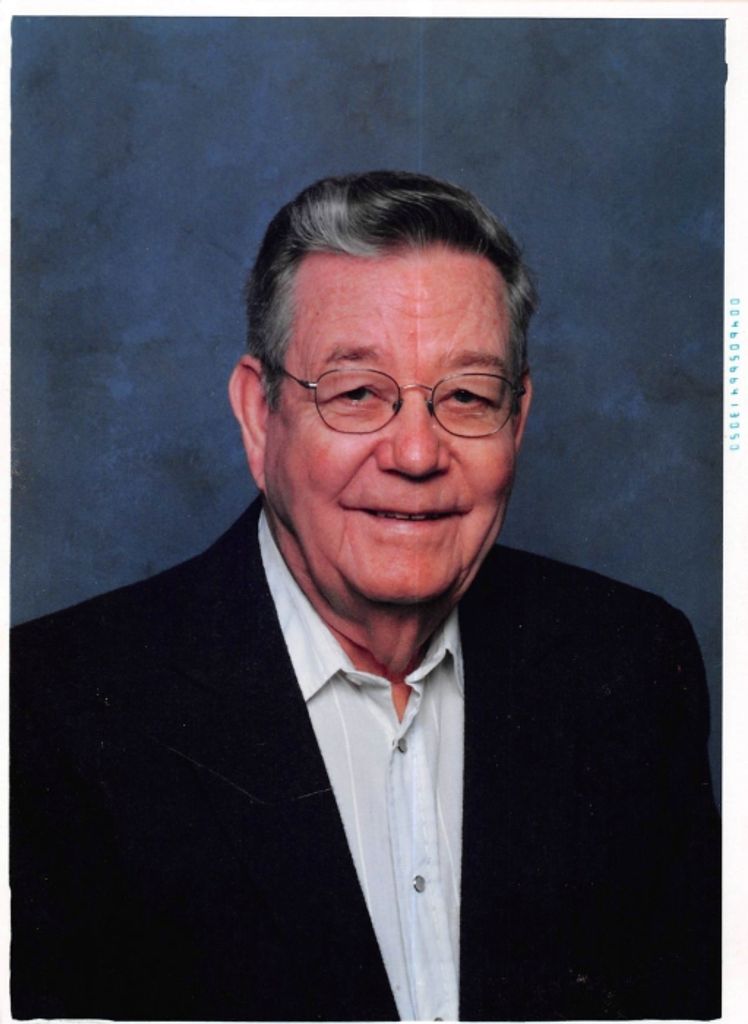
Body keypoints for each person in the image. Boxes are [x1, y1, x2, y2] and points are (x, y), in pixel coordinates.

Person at [10, 171, 720, 1021]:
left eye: (467, 396)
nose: (416, 454)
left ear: (518, 418)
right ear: (259, 416)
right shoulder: (49, 710)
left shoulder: (633, 666)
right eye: (356, 394)